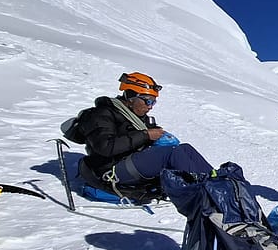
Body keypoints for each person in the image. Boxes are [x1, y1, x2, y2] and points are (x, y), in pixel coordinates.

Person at [75, 72, 213, 198]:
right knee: (171, 154)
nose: (150, 106)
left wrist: (159, 135)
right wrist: (146, 135)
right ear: (130, 97)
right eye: (148, 101)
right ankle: (208, 191)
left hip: (131, 161)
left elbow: (141, 134)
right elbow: (105, 147)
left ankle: (219, 183)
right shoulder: (101, 115)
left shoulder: (136, 116)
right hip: (112, 170)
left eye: (153, 101)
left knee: (185, 149)